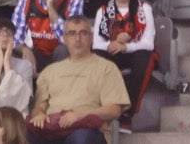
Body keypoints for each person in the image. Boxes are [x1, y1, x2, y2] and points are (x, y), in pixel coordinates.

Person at [25, 15, 128, 144]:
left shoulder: (107, 68)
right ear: (65, 39)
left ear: (91, 37)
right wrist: (39, 114)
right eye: (72, 34)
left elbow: (114, 110)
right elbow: (40, 106)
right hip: (53, 131)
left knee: (80, 137)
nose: (78, 39)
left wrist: (81, 115)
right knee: (22, 133)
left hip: (87, 131)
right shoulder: (50, 71)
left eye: (83, 33)